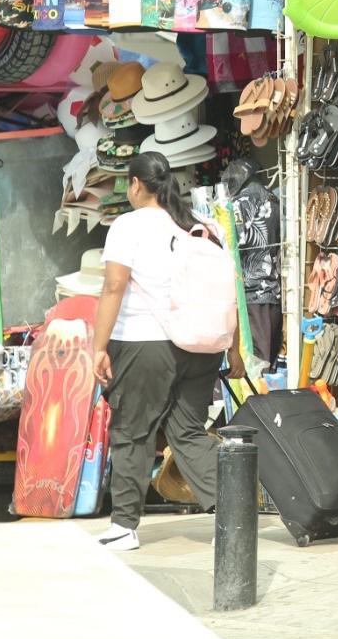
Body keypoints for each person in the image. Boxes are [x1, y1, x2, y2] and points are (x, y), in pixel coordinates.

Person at [92, 152, 244, 552]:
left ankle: (124, 525)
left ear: (137, 185)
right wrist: (235, 351)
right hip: (202, 346)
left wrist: (98, 346)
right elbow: (230, 293)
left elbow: (113, 287)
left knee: (132, 432)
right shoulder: (205, 226)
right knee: (189, 432)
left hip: (145, 343)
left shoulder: (128, 225)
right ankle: (234, 513)